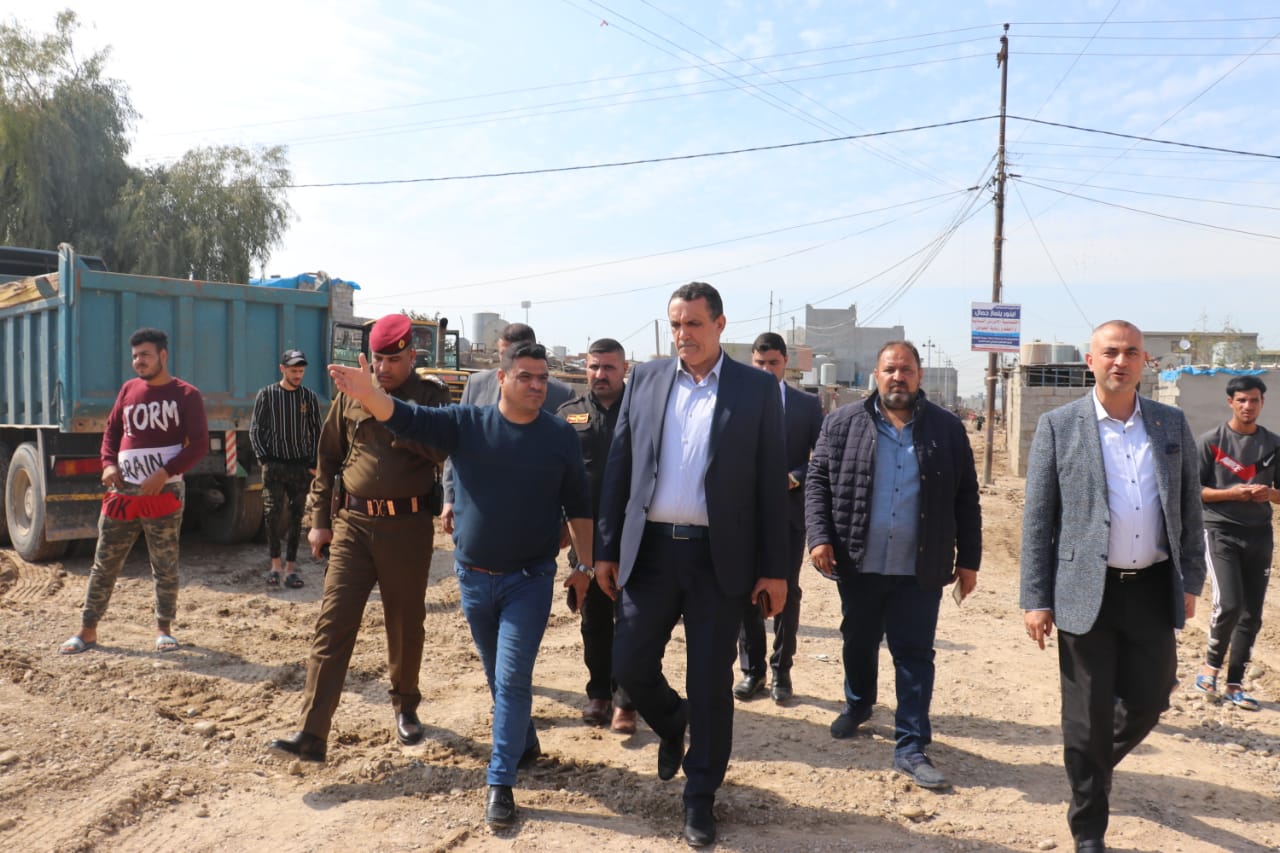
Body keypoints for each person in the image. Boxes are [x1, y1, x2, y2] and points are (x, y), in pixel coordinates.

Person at [327, 339, 593, 829]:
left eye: (542, 378)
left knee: (511, 679)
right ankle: (523, 741)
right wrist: (370, 395)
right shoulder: (468, 424)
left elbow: (578, 503)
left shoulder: (558, 435)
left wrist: (586, 566)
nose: (537, 386)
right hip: (473, 579)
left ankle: (500, 782)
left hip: (529, 580)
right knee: (497, 677)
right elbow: (410, 419)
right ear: (502, 378)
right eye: (526, 377)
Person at [595, 281, 789, 848]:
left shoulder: (755, 388)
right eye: (676, 324)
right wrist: (605, 548)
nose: (683, 335)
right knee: (629, 664)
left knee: (709, 683)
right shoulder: (647, 380)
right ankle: (672, 720)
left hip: (718, 559)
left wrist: (775, 569)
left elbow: (770, 486)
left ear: (720, 325)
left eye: (694, 324)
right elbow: (620, 467)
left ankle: (700, 795)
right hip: (651, 552)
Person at [1021, 320, 1206, 852]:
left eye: (1130, 353)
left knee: (1150, 701)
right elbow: (1038, 519)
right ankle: (1089, 830)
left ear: (1145, 361)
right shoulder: (1060, 426)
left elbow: (1188, 507)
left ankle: (1091, 768)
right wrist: (1036, 598)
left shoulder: (1170, 423)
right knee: (1085, 719)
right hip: (1084, 590)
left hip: (1150, 588)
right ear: (1091, 361)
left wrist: (1191, 577)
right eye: (1110, 352)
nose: (1120, 361)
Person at [268, 315, 451, 764]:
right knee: (333, 624)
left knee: (404, 623)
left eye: (393, 360)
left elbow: (441, 450)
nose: (384, 368)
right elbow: (327, 458)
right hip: (352, 524)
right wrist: (319, 521)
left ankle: (405, 706)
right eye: (378, 360)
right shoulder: (350, 393)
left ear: (412, 356)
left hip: (407, 526)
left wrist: (385, 407)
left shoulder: (431, 396)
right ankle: (312, 732)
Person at [805, 341, 980, 790]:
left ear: (919, 376)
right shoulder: (842, 423)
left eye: (906, 370)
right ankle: (859, 703)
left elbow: (966, 497)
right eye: (890, 370)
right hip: (858, 560)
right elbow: (818, 482)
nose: (898, 377)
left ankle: (911, 746)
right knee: (858, 640)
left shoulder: (947, 429)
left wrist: (969, 560)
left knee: (915, 655)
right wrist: (819, 537)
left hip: (921, 565)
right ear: (876, 375)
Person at [58, 328, 209, 655]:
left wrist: (165, 473)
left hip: (164, 493)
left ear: (163, 356)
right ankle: (87, 631)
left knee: (164, 563)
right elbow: (111, 432)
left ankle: (164, 630)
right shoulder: (128, 390)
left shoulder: (186, 395)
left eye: (146, 355)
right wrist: (108, 464)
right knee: (104, 562)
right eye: (135, 356)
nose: (139, 361)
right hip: (122, 493)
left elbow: (199, 445)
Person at [734, 332, 823, 705]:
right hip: (744, 515)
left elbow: (821, 458)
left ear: (786, 362)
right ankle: (752, 670)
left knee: (786, 591)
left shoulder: (807, 406)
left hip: (787, 513)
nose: (766, 370)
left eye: (773, 363)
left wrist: (795, 477)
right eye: (759, 363)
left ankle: (780, 669)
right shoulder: (736, 401)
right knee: (745, 591)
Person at [556, 337, 639, 733]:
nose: (600, 374)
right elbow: (555, 474)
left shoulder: (641, 412)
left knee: (633, 620)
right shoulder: (567, 414)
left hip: (634, 532)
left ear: (624, 369)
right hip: (585, 533)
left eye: (608, 367)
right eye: (593, 367)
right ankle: (599, 694)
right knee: (594, 619)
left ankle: (626, 701)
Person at [440, 322, 573, 535]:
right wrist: (450, 497)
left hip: (534, 517)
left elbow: (569, 465)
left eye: (513, 354)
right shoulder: (476, 384)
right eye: (502, 354)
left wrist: (566, 517)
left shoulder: (560, 395)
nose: (506, 361)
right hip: (479, 511)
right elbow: (456, 445)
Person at [1195, 374, 1278, 711]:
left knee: (1252, 613)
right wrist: (1231, 493)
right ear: (1230, 402)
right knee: (1229, 603)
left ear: (1262, 402)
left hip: (1259, 535)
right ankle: (1209, 670)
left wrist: (1269, 493)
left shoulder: (1273, 444)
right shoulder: (1210, 442)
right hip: (1220, 531)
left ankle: (1235, 685)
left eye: (1254, 400)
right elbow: (1194, 491)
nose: (1248, 406)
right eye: (1241, 400)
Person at [249, 348, 323, 588]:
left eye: (301, 371)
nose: (297, 375)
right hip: (274, 466)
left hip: (300, 467)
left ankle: (291, 568)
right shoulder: (267, 395)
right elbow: (255, 429)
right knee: (271, 514)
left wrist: (314, 463)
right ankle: (275, 566)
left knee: (296, 517)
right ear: (282, 369)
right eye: (293, 371)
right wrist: (264, 458)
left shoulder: (309, 397)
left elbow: (317, 432)